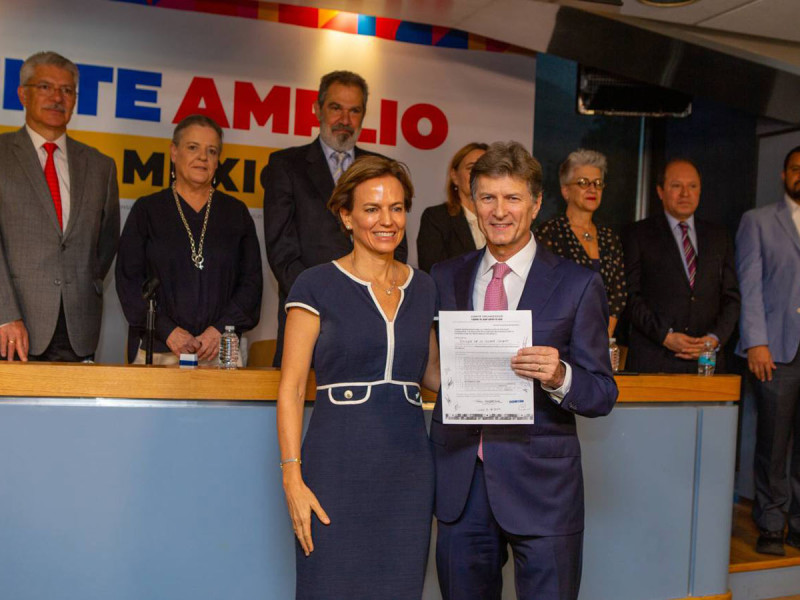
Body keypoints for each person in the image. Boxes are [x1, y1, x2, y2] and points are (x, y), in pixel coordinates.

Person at [429, 141, 617, 600]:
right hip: (462, 486)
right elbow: (434, 367)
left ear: (535, 203)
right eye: (487, 197)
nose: (499, 211)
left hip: (543, 491)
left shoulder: (578, 284)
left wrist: (559, 376)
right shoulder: (443, 276)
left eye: (512, 197)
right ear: (472, 202)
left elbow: (601, 392)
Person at [277, 155, 439, 599]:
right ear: (346, 216)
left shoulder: (425, 287)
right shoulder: (314, 285)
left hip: (409, 472)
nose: (387, 220)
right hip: (335, 468)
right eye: (372, 209)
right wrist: (292, 479)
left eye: (397, 208)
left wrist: (503, 372)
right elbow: (291, 388)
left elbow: (433, 373)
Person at [263, 70, 407, 366]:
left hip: (373, 319)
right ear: (317, 109)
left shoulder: (383, 168)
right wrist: (329, 300)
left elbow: (396, 246)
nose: (345, 119)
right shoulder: (286, 165)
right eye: (336, 108)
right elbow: (282, 254)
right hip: (309, 317)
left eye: (354, 111)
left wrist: (370, 299)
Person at [0, 51, 119, 362]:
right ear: (22, 94)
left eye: (67, 90)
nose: (57, 98)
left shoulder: (101, 166)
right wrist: (4, 314)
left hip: (77, 329)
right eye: (45, 87)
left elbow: (105, 245)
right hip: (11, 327)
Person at [115, 115, 262, 365]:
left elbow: (251, 284)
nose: (203, 157)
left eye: (212, 151)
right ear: (174, 152)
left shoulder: (236, 213)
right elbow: (129, 281)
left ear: (217, 160)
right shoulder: (147, 210)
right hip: (159, 350)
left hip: (220, 352)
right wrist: (168, 331)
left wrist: (218, 330)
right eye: (193, 147)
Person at [736, 145, 800, 556]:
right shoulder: (757, 221)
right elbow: (750, 285)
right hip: (776, 349)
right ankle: (772, 524)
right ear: (784, 174)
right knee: (773, 443)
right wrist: (756, 341)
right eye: (795, 168)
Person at [622, 159, 740, 373]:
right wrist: (664, 336)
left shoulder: (719, 236)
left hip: (706, 362)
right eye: (676, 186)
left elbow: (731, 297)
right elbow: (630, 296)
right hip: (654, 359)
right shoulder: (637, 234)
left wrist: (714, 339)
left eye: (692, 186)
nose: (685, 194)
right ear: (660, 191)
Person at [536, 149, 625, 337]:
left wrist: (603, 337)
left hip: (601, 337)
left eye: (598, 183)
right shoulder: (549, 233)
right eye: (583, 182)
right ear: (565, 190)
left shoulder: (609, 237)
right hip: (559, 336)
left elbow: (618, 295)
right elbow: (542, 290)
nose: (592, 189)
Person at [417, 142, 488, 272]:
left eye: (485, 168)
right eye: (471, 168)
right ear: (455, 176)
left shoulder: (502, 220)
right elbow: (433, 271)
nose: (479, 174)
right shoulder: (436, 218)